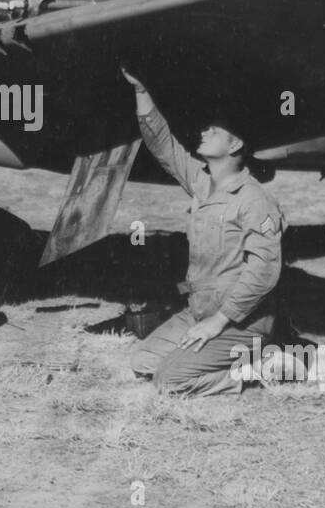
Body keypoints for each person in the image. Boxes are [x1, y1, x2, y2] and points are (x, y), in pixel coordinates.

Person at [120, 67, 285, 396]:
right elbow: (165, 148)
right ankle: (232, 358)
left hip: (242, 322)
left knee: (169, 380)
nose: (205, 129)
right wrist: (141, 92)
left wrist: (218, 322)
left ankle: (256, 368)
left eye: (216, 128)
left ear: (235, 143)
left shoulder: (255, 201)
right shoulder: (203, 182)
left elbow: (264, 271)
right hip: (200, 311)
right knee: (143, 361)